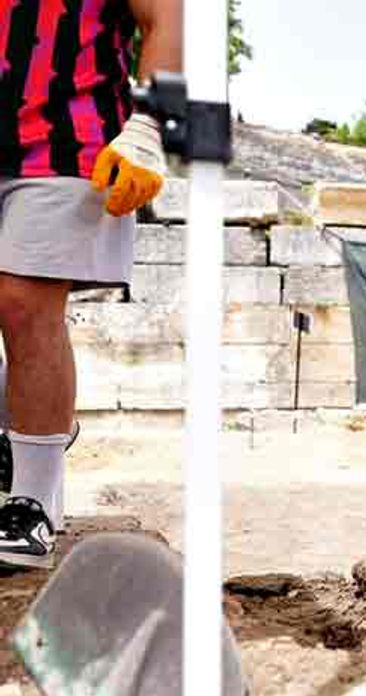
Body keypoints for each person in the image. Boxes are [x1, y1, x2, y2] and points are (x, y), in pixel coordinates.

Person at [0, 0, 180, 568]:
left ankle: (32, 501)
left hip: (67, 142)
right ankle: (28, 432)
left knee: (24, 302)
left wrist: (148, 126)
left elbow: (167, 18)